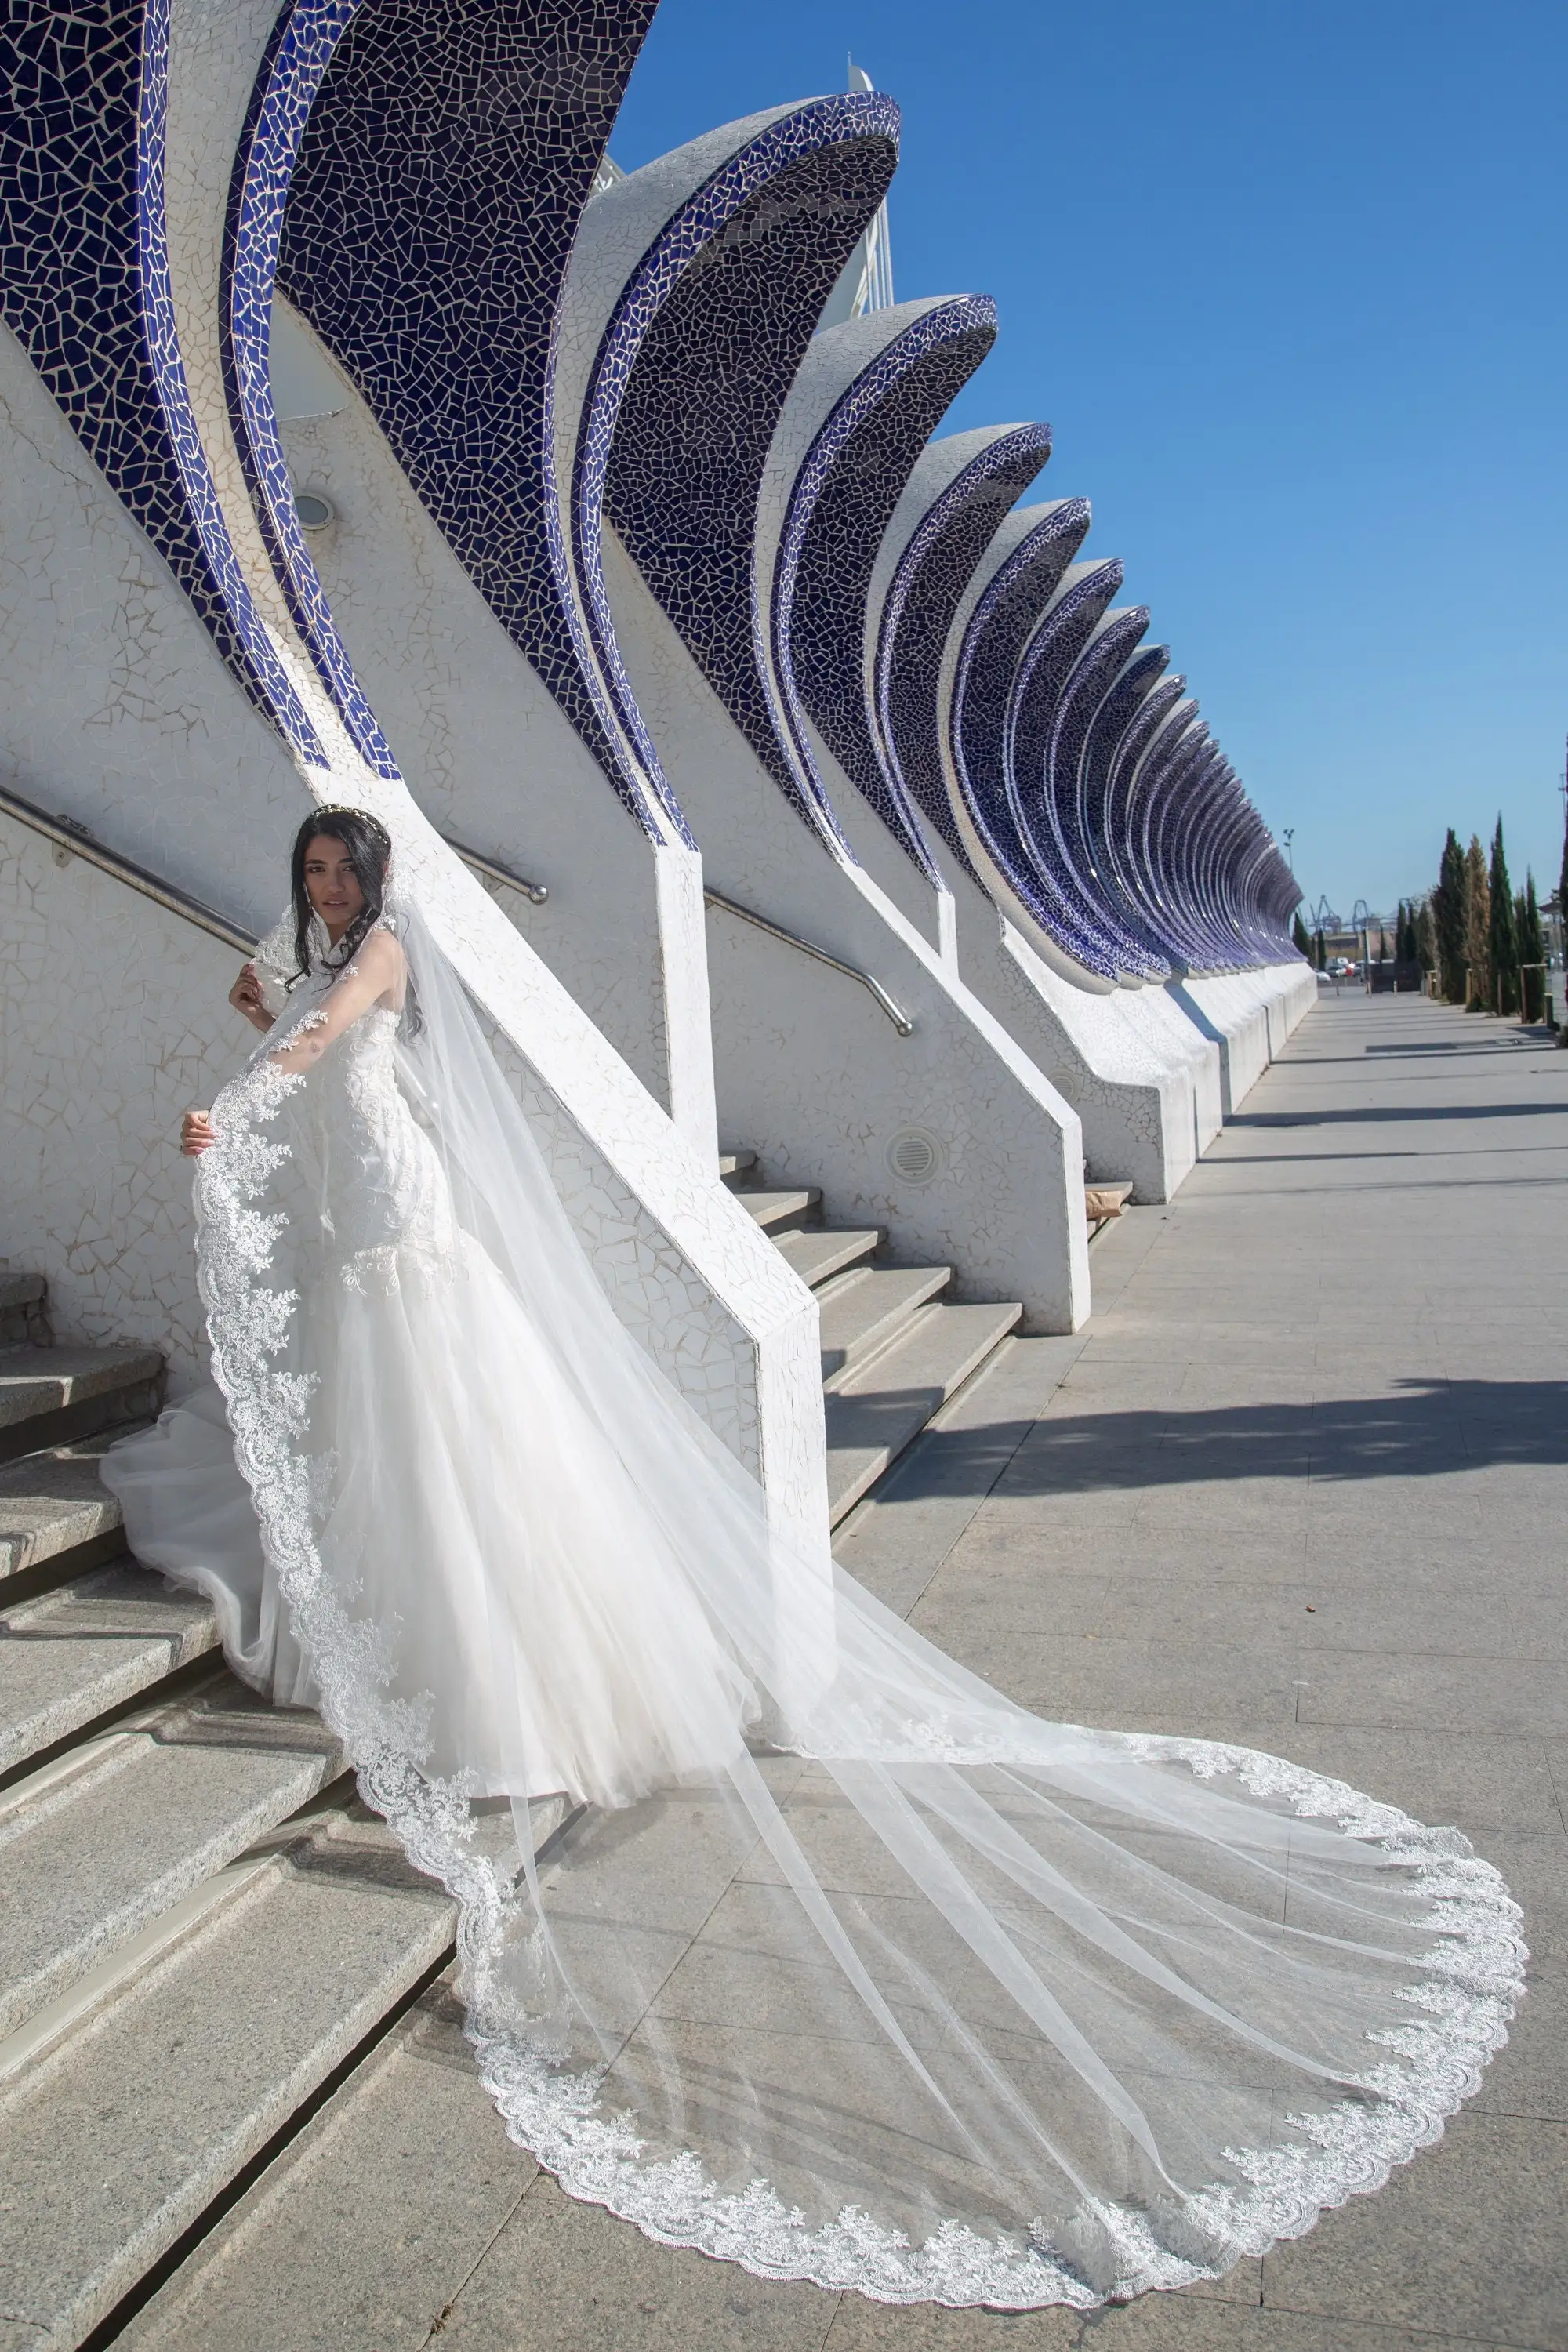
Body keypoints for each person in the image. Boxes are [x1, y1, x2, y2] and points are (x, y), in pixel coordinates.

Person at [103, 807, 1523, 2312]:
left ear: (377, 886)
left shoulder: (383, 953)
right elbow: (275, 1002)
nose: (329, 892)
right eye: (314, 874)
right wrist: (262, 1022)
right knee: (394, 1444)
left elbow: (317, 1038)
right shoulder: (318, 949)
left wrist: (241, 1097)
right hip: (352, 1213)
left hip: (397, 1207)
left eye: (344, 873)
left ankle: (489, 1681)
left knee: (451, 1443)